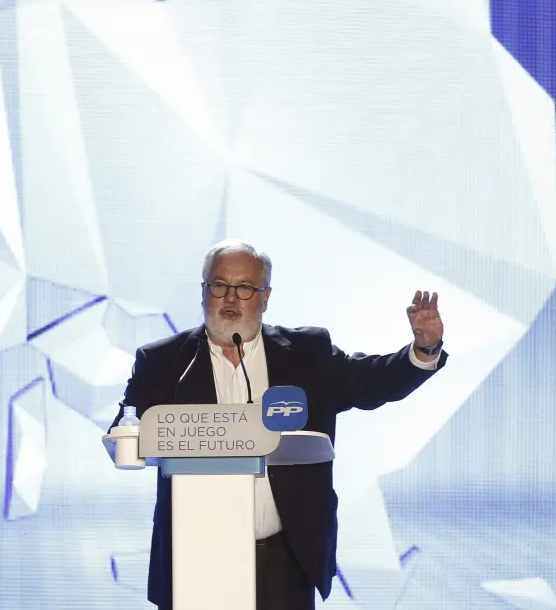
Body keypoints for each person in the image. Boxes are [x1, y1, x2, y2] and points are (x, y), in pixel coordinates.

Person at [111, 239, 448, 610]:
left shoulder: (307, 353)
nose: (231, 299)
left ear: (265, 297)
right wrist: (137, 438)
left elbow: (371, 381)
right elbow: (126, 430)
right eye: (220, 286)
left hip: (284, 559)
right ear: (204, 291)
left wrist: (424, 351)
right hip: (197, 557)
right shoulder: (164, 361)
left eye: (245, 288)